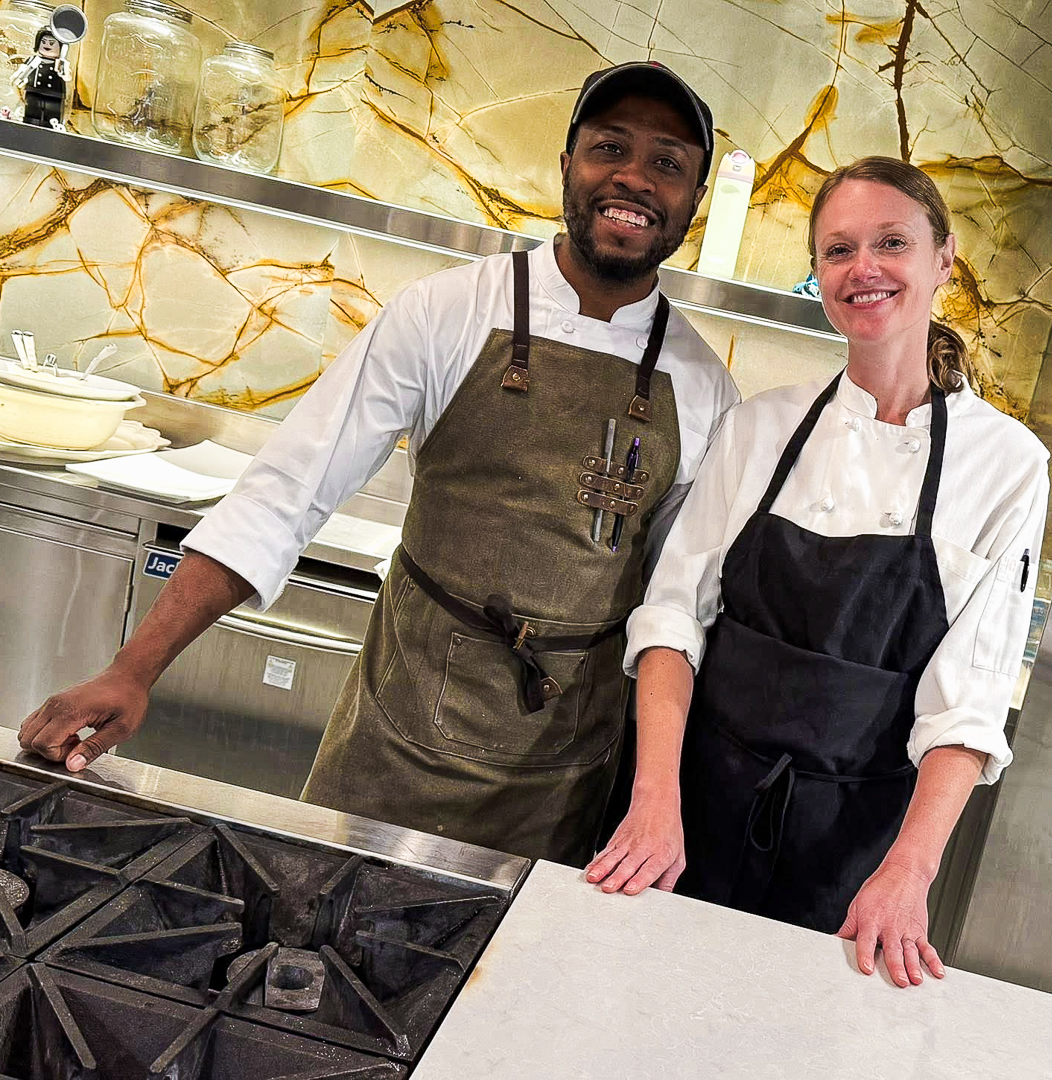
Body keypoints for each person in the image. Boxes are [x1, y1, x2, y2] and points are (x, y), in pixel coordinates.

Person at [18, 62, 740, 867]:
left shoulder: (705, 389)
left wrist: (654, 799)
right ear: (568, 161)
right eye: (611, 147)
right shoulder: (445, 313)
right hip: (393, 746)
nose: (635, 179)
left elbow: (676, 615)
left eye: (668, 163)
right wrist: (133, 668)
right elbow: (289, 490)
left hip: (565, 776)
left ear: (693, 201)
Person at [586, 157, 1049, 987]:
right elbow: (671, 618)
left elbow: (968, 702)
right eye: (838, 250)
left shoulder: (1006, 463)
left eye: (891, 243)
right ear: (819, 274)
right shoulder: (762, 424)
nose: (863, 268)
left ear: (945, 259)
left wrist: (910, 874)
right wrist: (653, 799)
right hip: (690, 809)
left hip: (859, 852)